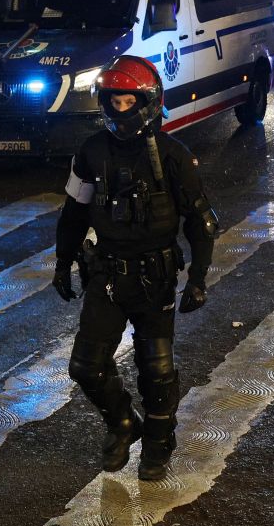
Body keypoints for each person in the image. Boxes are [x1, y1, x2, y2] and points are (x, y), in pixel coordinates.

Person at [53, 56, 218, 481]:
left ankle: (160, 443)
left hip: (156, 278)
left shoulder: (174, 156)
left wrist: (198, 280)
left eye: (128, 101)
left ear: (147, 102)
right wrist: (63, 260)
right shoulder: (91, 153)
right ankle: (123, 423)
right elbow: (74, 212)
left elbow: (201, 224)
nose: (120, 110)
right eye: (114, 101)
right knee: (86, 366)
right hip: (106, 275)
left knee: (156, 370)